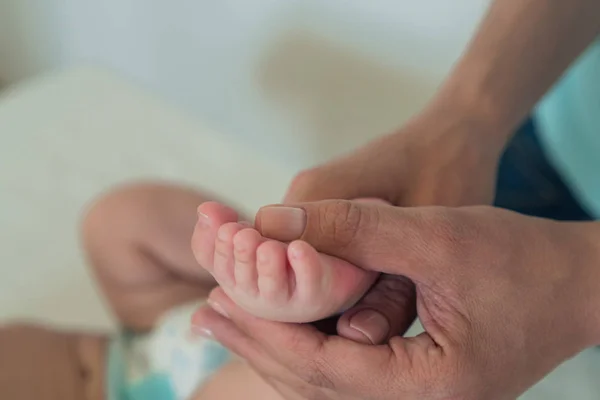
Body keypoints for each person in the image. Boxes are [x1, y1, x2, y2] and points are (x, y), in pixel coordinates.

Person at [189, 0, 600, 399]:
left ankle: (313, 287)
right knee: (419, 246)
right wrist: (468, 118)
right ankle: (323, 287)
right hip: (561, 139)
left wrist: (579, 284)